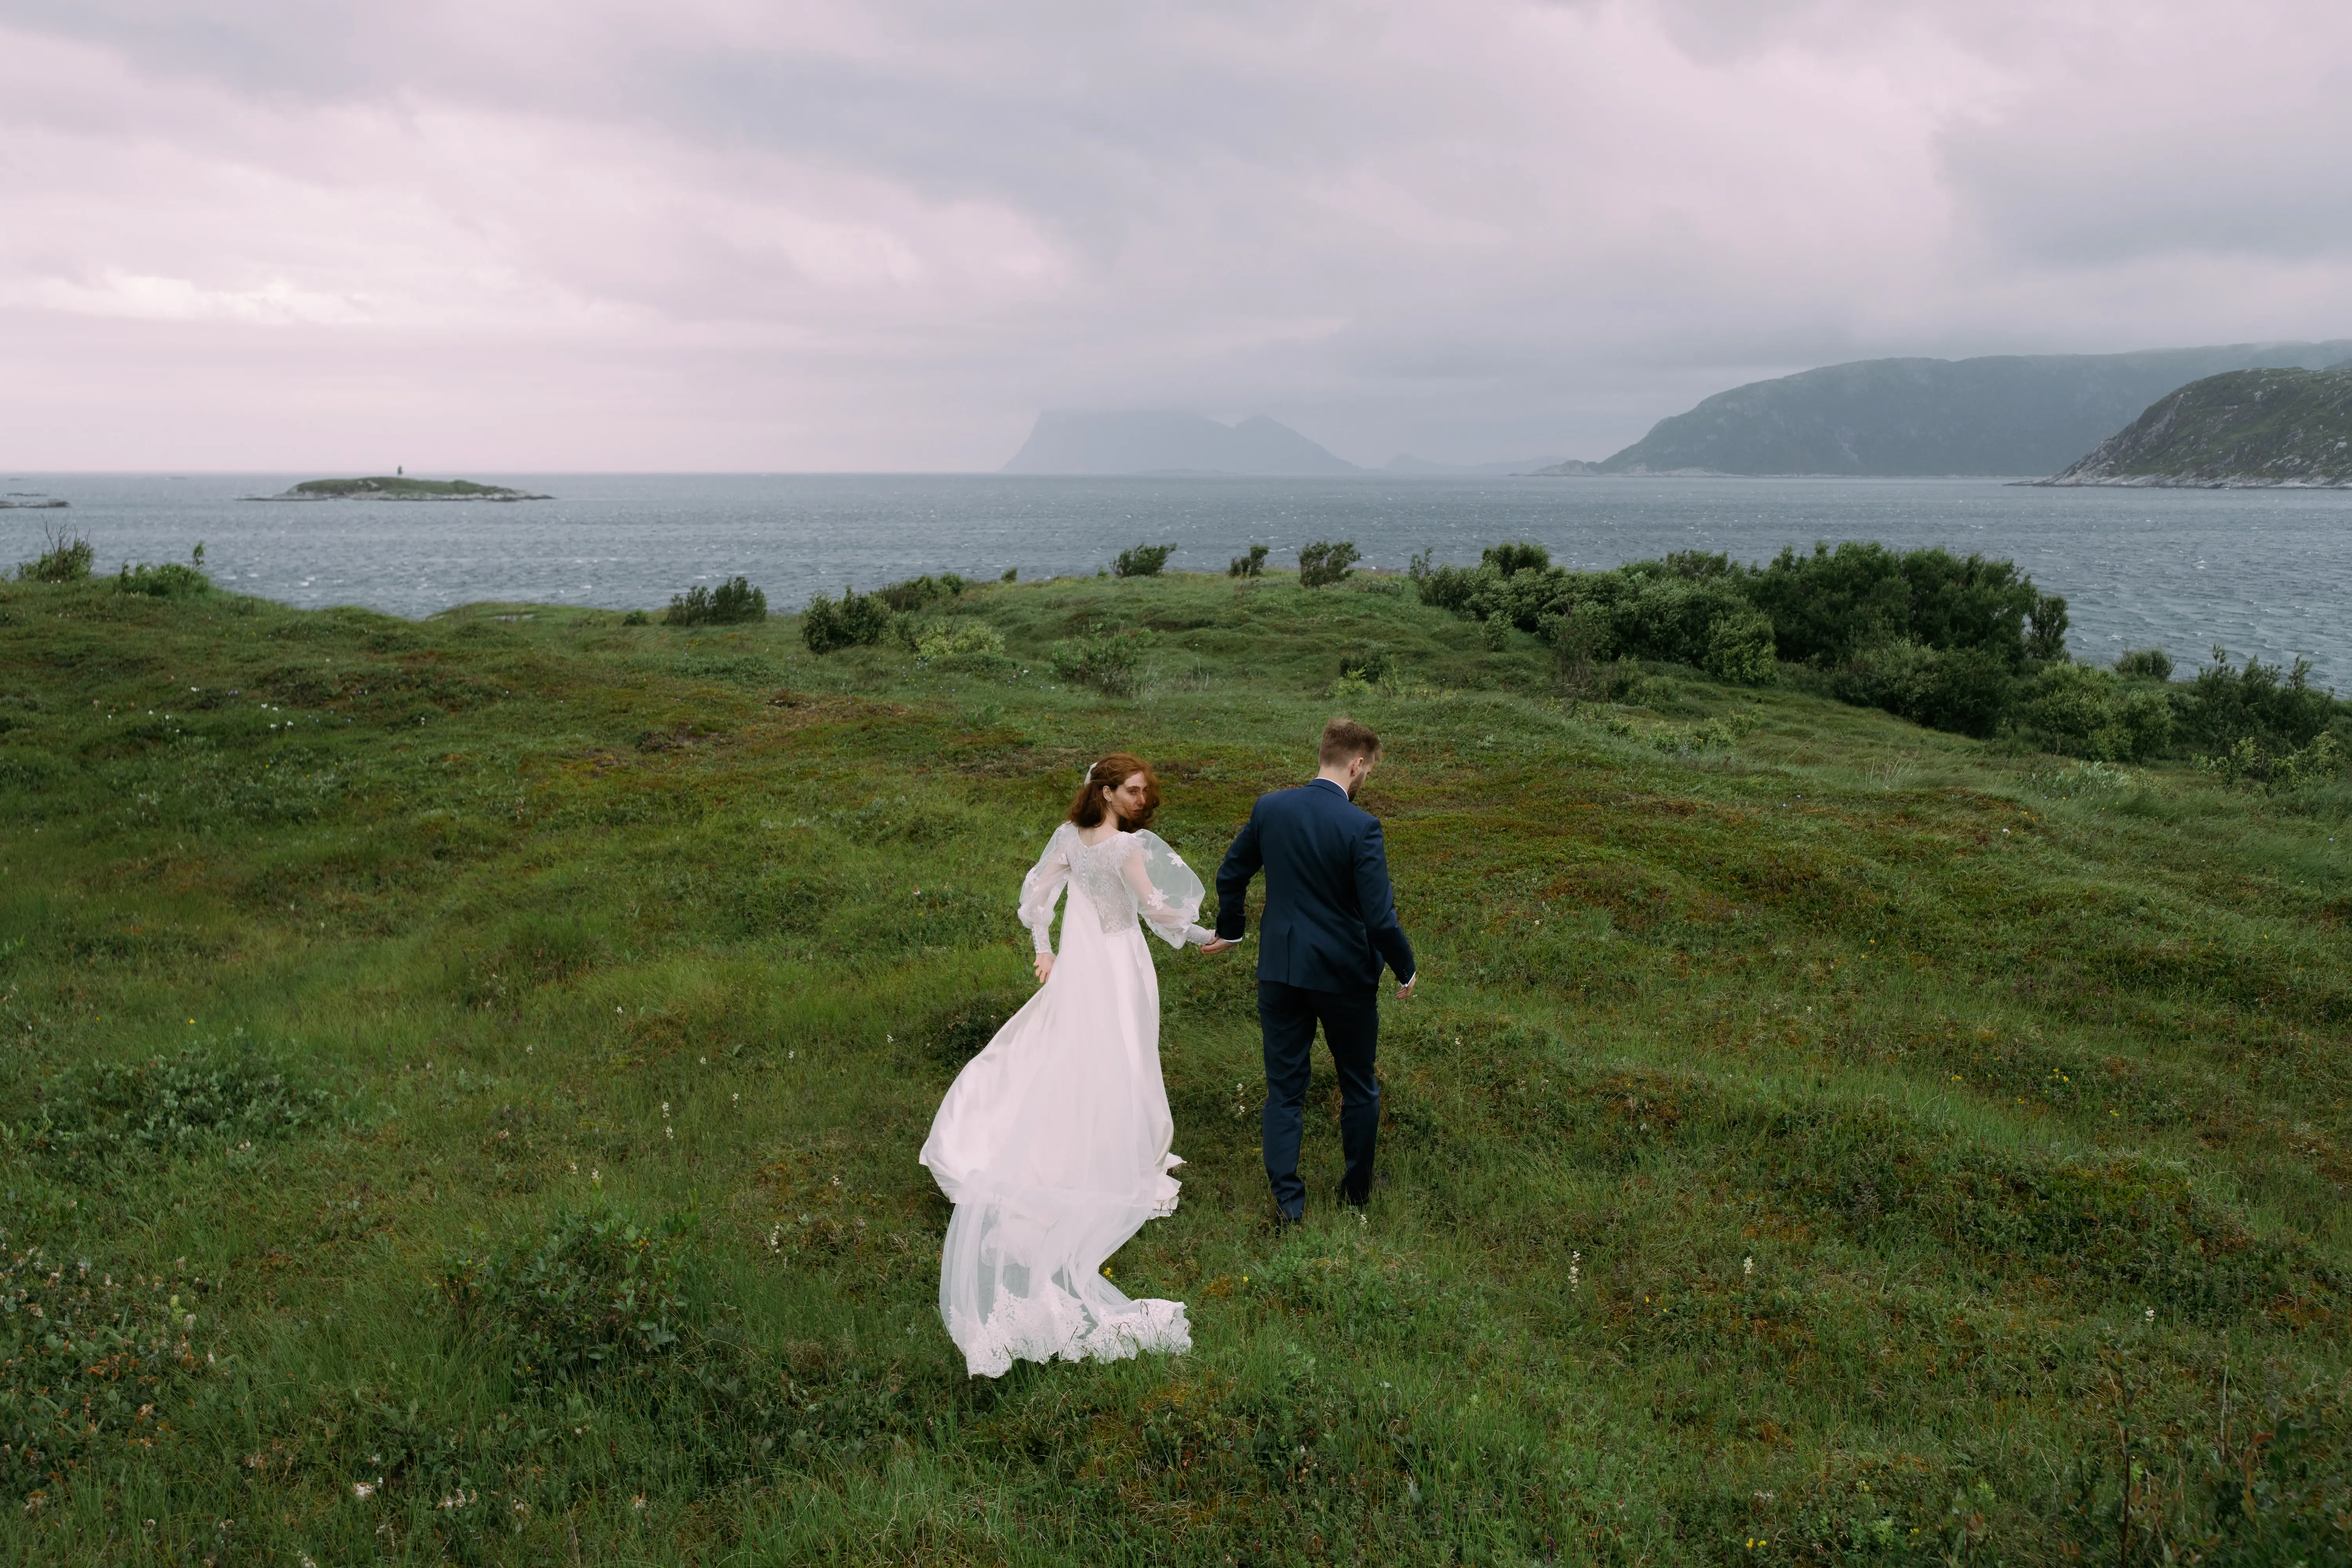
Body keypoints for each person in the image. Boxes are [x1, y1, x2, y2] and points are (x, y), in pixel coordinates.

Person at [918, 753, 1220, 1377]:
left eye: (1144, 791)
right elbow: (1158, 912)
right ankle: (1119, 1146)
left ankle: (1087, 1130)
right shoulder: (1123, 851)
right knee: (1123, 1051)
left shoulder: (1068, 837)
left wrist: (1045, 950)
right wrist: (1205, 938)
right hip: (1117, 965)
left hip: (1081, 964)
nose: (1142, 800)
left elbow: (1036, 896)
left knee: (1069, 1047)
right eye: (1133, 791)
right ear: (1105, 792)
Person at [1205, 717, 1416, 1225]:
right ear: (1357, 764)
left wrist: (1232, 929)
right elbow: (1379, 918)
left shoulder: (1271, 808)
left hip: (1280, 972)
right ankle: (1356, 1194)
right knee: (1359, 1086)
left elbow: (1231, 872)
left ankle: (1288, 1207)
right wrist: (1405, 968)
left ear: (1323, 753)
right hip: (1345, 977)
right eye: (1369, 770)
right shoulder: (1361, 827)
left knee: (1285, 1091)